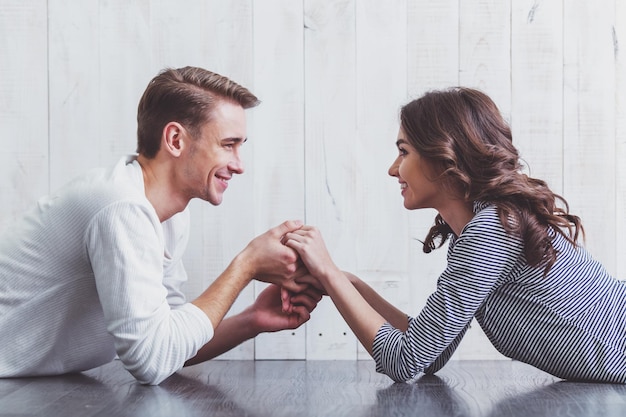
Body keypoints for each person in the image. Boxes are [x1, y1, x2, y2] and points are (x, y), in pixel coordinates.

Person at [0, 66, 321, 385]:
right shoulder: (121, 207)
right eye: (228, 144)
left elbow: (168, 342)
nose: (239, 165)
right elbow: (151, 361)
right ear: (176, 139)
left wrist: (251, 320)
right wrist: (245, 265)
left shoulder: (167, 215)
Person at [283, 87, 626, 384]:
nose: (392, 169)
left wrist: (328, 272)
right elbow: (429, 354)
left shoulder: (491, 232)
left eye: (403, 151)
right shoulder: (478, 234)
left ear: (444, 156)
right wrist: (348, 284)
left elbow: (404, 361)